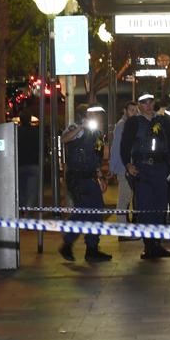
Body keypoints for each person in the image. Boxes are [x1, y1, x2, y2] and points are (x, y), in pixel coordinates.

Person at [120, 92, 170, 259]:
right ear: (139, 105)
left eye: (150, 101)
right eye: (144, 102)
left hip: (161, 168)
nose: (147, 105)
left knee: (160, 206)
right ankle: (148, 246)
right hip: (142, 169)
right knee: (145, 207)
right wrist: (128, 164)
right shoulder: (134, 123)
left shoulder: (162, 121)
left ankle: (157, 243)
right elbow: (125, 145)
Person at [58, 104, 112, 263]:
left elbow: (95, 158)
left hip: (89, 177)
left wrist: (100, 176)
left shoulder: (96, 134)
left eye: (101, 115)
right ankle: (68, 243)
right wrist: (82, 126)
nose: (100, 118)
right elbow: (64, 138)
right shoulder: (77, 128)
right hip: (77, 178)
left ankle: (92, 248)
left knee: (96, 210)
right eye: (96, 115)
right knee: (84, 211)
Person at [109, 101, 139, 239]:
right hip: (123, 167)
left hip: (127, 166)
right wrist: (112, 167)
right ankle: (122, 231)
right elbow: (116, 148)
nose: (134, 112)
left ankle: (124, 229)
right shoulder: (122, 125)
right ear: (125, 111)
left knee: (126, 198)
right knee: (124, 198)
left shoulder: (129, 125)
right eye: (131, 110)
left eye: (135, 109)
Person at [17, 107, 40, 208]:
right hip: (34, 164)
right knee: (32, 191)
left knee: (21, 190)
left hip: (19, 164)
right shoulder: (36, 132)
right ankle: (28, 212)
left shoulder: (16, 132)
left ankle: (22, 209)